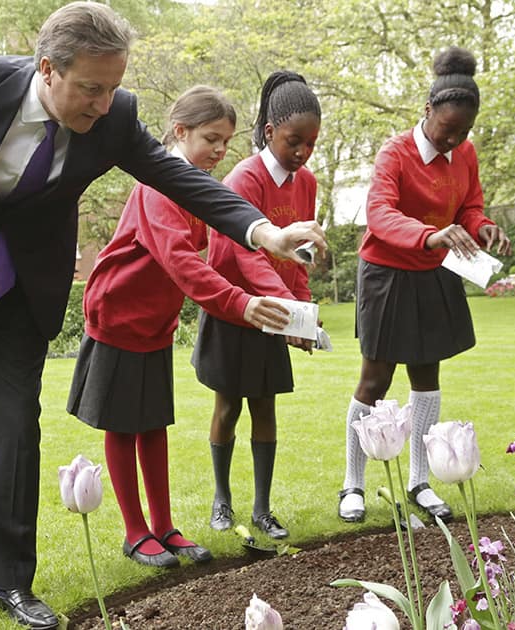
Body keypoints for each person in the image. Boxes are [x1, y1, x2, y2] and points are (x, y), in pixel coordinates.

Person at [0, 4, 326, 630]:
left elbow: (178, 177)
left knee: (15, 427)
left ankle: (9, 584)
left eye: (113, 87)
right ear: (48, 70)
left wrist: (262, 232)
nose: (104, 104)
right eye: (90, 88)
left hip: (20, 281)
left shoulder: (114, 117)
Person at [67, 85, 294, 569]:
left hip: (154, 322)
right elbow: (181, 263)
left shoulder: (201, 188)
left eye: (227, 142)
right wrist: (240, 304)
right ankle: (135, 531)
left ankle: (165, 526)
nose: (219, 149)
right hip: (118, 315)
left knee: (153, 425)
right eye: (211, 137)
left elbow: (235, 248)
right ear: (179, 131)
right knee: (123, 424)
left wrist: (287, 304)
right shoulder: (157, 187)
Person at [336, 47, 511, 525]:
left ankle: (420, 482)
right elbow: (381, 214)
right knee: (375, 379)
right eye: (447, 130)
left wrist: (483, 226)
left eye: (463, 133)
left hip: (435, 272)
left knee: (426, 378)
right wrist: (430, 234)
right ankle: (353, 484)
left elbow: (470, 205)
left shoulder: (465, 153)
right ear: (427, 110)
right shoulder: (395, 152)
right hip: (388, 273)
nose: (453, 140)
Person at [194, 71, 321, 541]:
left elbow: (299, 254)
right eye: (294, 141)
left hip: (278, 311)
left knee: (265, 408)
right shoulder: (243, 178)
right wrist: (289, 309)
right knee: (228, 407)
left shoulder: (305, 182)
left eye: (311, 143)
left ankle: (263, 509)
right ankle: (221, 500)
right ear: (270, 132)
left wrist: (302, 312)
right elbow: (242, 256)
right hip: (237, 309)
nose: (303, 152)